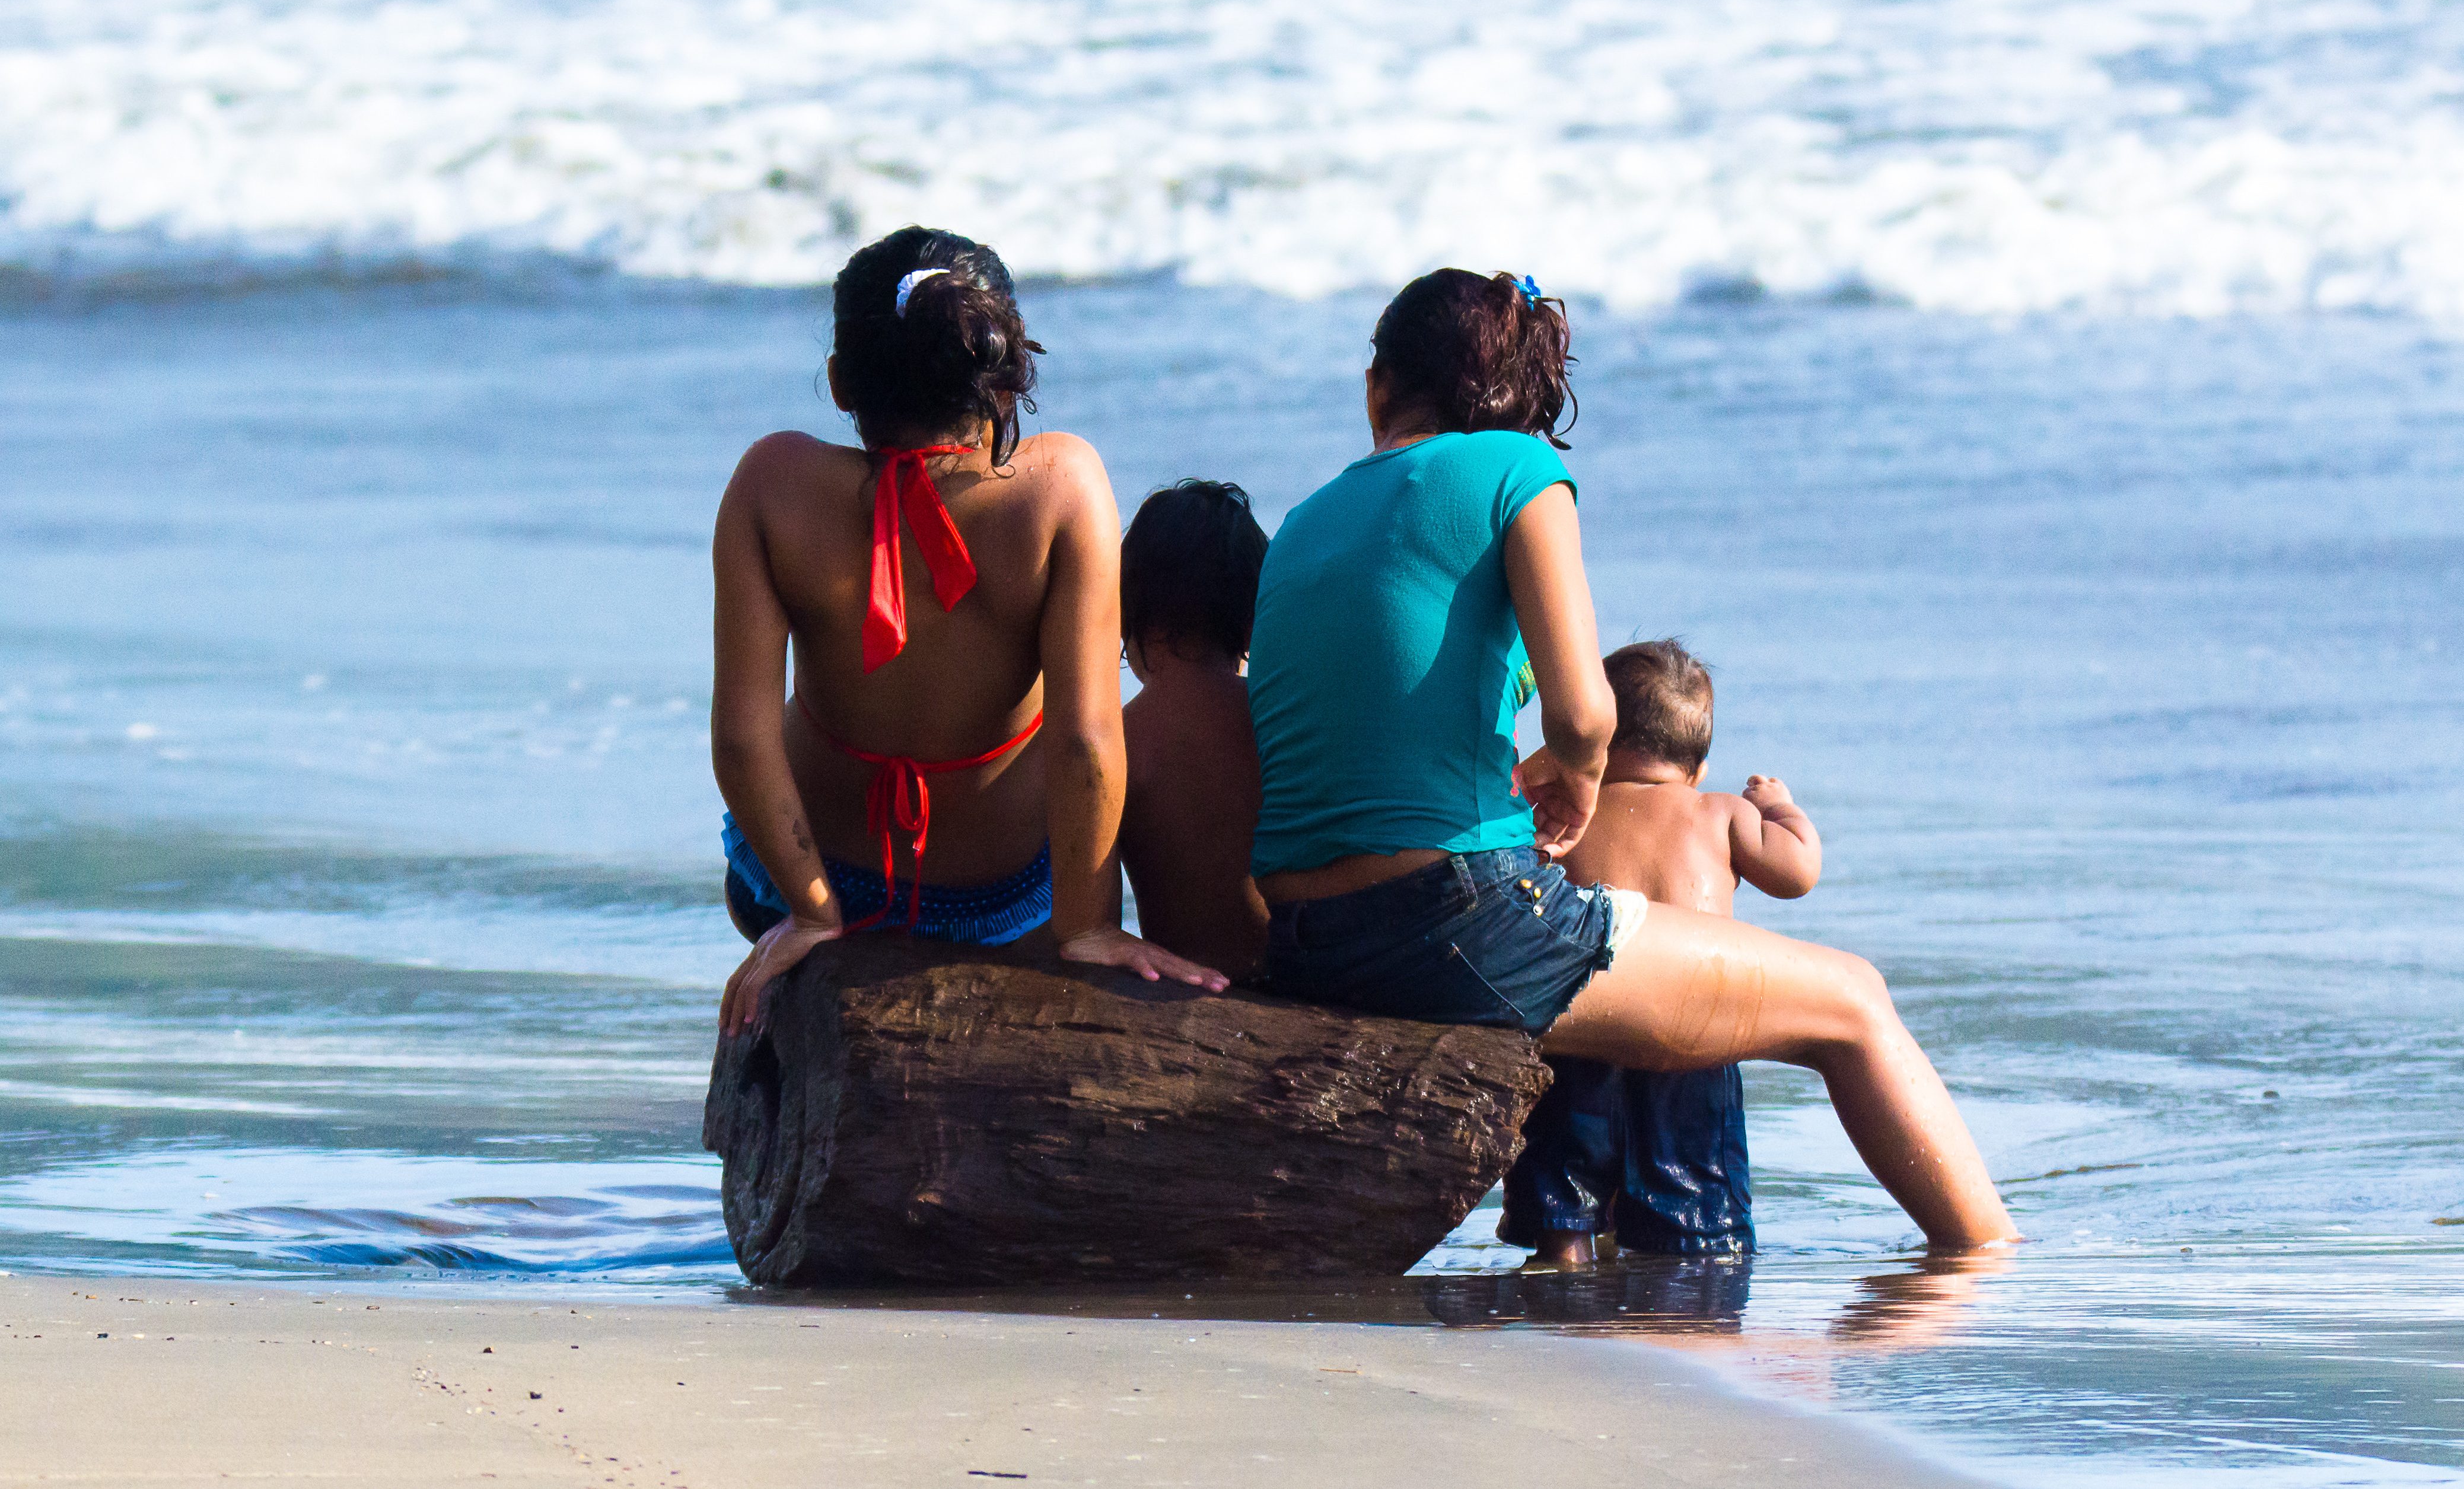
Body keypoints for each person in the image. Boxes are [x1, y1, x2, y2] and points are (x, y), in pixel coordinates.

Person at [1245, 269, 2017, 1251]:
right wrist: (1574, 774)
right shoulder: (1517, 473)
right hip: (1451, 924)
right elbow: (1582, 711)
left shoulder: (1306, 520)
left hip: (1306, 933)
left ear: (1375, 388)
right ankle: (1989, 1269)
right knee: (1851, 1001)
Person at [712, 227, 1227, 1036]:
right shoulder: (1061, 487)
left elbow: (742, 741)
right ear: (1001, 373)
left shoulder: (773, 483)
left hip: (802, 882)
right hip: (1001, 906)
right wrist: (1086, 924)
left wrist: (812, 909)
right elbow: (1087, 741)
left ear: (841, 383)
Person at [1501, 639, 1820, 1266]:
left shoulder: (1567, 814)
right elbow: (1796, 873)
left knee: (1563, 1188)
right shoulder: (1720, 813)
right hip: (1688, 1044)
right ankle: (1684, 1295)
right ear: (1697, 767)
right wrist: (1777, 807)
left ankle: (1564, 1259)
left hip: (1585, 1032)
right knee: (1695, 1214)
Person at [1117, 480, 1273, 981]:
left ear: (1127, 612)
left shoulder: (1119, 743)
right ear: (1252, 619)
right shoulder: (1279, 722)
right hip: (1293, 982)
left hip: (1178, 991)